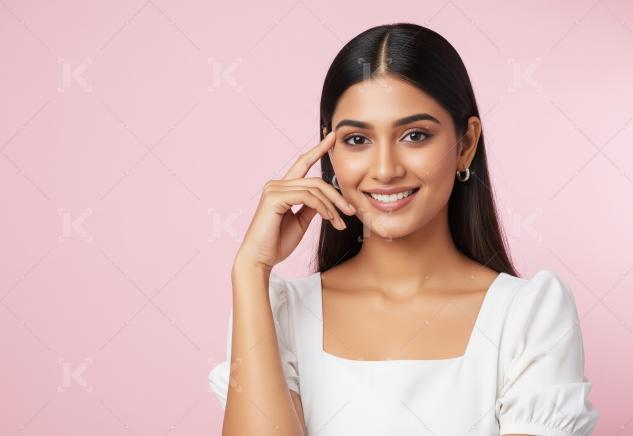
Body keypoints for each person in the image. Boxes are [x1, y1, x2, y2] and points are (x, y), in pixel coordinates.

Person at [208, 22, 599, 436]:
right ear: (330, 150)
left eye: (414, 135)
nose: (385, 170)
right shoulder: (276, 313)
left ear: (465, 143)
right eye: (357, 139)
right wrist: (250, 268)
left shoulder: (528, 316)